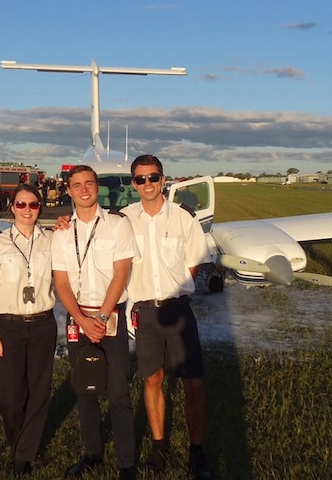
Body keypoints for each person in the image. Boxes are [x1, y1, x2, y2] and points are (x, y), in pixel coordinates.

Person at [124, 155, 212, 479]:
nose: (147, 184)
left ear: (163, 179)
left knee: (193, 383)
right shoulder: (123, 219)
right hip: (145, 312)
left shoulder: (182, 218)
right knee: (152, 379)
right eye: (140, 179)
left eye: (153, 177)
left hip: (177, 310)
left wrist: (177, 286)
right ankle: (159, 448)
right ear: (133, 184)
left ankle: (196, 451)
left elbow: (196, 259)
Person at [51, 165, 138, 480]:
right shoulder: (61, 232)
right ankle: (92, 453)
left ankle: (126, 462)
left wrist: (100, 316)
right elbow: (61, 283)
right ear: (69, 190)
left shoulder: (117, 225)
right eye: (77, 185)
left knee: (117, 391)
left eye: (89, 183)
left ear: (97, 187)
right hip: (78, 317)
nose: (84, 189)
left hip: (109, 314)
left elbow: (121, 273)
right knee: (84, 388)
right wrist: (81, 320)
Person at [0, 184, 55, 477]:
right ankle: (17, 436)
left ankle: (25, 454)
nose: (27, 210)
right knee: (9, 395)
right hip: (8, 325)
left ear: (39, 208)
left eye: (33, 205)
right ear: (12, 207)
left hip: (43, 324)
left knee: (38, 390)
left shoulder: (51, 241)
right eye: (21, 205)